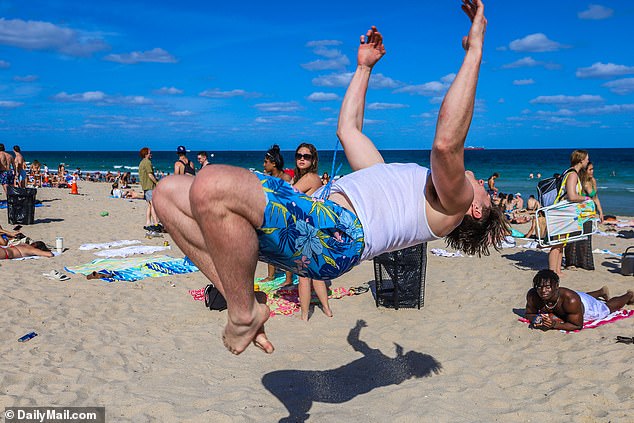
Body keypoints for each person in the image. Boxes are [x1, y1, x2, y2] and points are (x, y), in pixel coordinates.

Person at [154, 0, 505, 355]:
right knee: (167, 194)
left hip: (337, 235)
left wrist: (475, 50)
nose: (481, 184)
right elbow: (347, 130)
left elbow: (446, 144)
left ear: (475, 210)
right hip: (314, 219)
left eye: (486, 194)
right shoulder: (401, 184)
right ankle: (243, 301)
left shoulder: (454, 205)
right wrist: (364, 68)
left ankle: (242, 312)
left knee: (212, 184)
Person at [291, 143, 333, 321]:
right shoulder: (312, 178)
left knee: (303, 276)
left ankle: (304, 315)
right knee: (317, 275)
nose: (301, 158)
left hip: (305, 230)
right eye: (299, 155)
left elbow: (289, 195)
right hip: (314, 229)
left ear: (313, 160)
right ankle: (327, 309)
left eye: (306, 156)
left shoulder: (308, 177)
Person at [525, 269, 634, 331]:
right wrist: (537, 318)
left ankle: (628, 295)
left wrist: (553, 325)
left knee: (607, 307)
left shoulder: (570, 300)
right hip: (577, 297)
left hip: (585, 307)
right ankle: (601, 292)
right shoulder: (533, 295)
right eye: (539, 287)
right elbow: (529, 313)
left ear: (557, 286)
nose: (543, 291)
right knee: (577, 299)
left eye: (548, 287)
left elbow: (577, 325)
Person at [548, 149, 591, 275]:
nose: (588, 161)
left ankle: (557, 270)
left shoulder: (569, 172)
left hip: (563, 212)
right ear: (581, 160)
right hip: (560, 212)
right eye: (586, 159)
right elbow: (572, 196)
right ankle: (552, 272)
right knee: (557, 244)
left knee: (561, 243)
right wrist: (586, 198)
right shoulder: (572, 174)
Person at [564, 161, 603, 271]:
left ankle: (584, 262)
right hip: (578, 212)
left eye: (593, 169)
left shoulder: (593, 181)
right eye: (590, 169)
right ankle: (571, 262)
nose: (592, 171)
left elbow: (595, 197)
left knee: (586, 237)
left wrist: (600, 211)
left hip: (589, 213)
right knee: (574, 236)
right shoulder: (579, 181)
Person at [138, 147, 161, 231]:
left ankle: (148, 223)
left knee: (150, 205)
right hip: (149, 186)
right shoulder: (147, 162)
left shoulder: (142, 163)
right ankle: (155, 223)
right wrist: (157, 182)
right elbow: (150, 175)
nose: (151, 154)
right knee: (153, 204)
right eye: (150, 153)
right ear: (146, 154)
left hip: (145, 187)